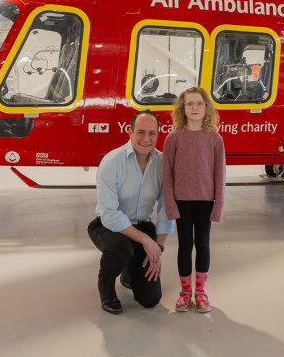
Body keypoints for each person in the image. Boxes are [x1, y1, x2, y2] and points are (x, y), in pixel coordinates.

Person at [87, 110, 174, 315]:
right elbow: (109, 214)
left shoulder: (163, 164)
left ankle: (129, 273)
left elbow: (166, 210)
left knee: (150, 299)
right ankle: (106, 287)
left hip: (142, 225)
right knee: (121, 249)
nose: (146, 139)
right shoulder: (112, 162)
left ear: (158, 134)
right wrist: (146, 241)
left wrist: (158, 247)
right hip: (107, 226)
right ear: (130, 132)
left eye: (152, 133)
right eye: (141, 132)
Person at [163, 86, 226, 313]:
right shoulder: (173, 138)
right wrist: (171, 205)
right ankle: (185, 292)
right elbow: (167, 175)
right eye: (189, 104)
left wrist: (218, 206)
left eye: (199, 103)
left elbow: (220, 175)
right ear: (182, 108)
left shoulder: (215, 139)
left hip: (205, 202)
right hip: (182, 202)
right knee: (184, 246)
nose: (195, 108)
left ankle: (200, 292)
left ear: (206, 107)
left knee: (202, 245)